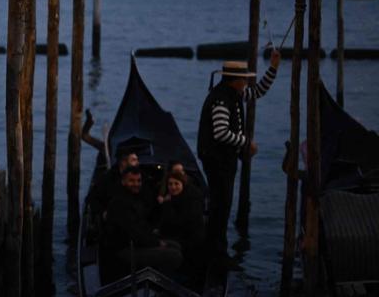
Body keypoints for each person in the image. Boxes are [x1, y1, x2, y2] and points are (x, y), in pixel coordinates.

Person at [197, 51, 280, 249]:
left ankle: (218, 245)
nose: (246, 83)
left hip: (224, 159)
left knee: (223, 204)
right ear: (235, 81)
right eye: (244, 79)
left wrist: (274, 68)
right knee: (221, 205)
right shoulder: (221, 101)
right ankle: (216, 247)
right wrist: (246, 143)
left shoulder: (234, 94)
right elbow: (221, 133)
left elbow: (258, 92)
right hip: (217, 160)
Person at [104, 166, 183, 275]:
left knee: (175, 245)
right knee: (174, 255)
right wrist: (156, 242)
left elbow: (142, 223)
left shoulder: (134, 197)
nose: (136, 184)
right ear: (123, 182)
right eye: (131, 181)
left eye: (138, 181)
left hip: (136, 243)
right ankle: (160, 283)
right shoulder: (120, 203)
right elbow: (133, 233)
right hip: (125, 249)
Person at [154, 169, 205, 261]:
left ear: (182, 184)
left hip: (189, 241)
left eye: (176, 184)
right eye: (170, 184)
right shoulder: (173, 199)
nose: (173, 187)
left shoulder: (190, 201)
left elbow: (180, 222)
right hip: (180, 236)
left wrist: (167, 204)